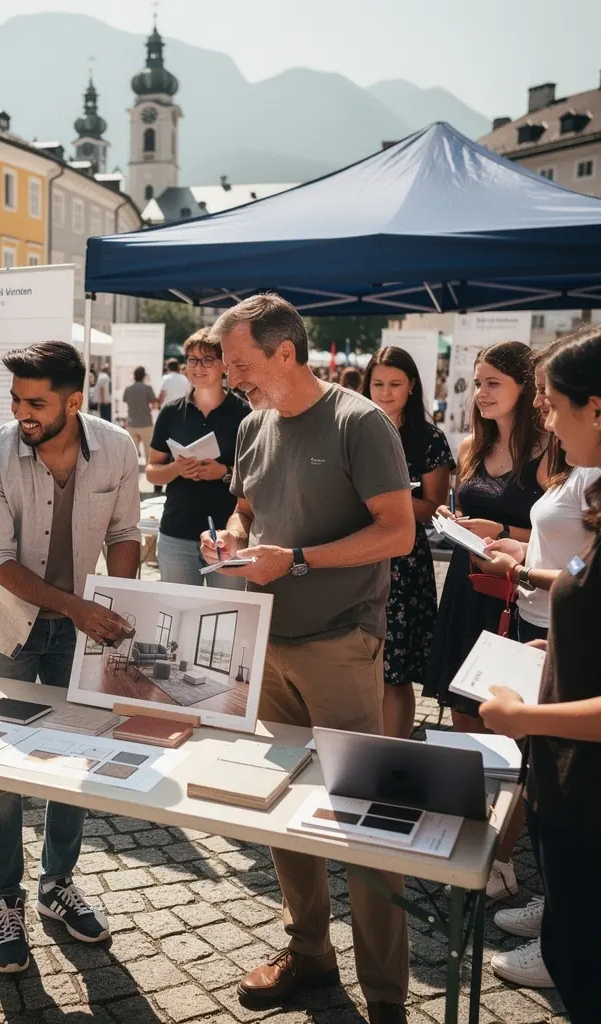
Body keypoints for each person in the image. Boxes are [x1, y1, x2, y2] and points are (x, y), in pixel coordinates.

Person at [202, 294, 415, 1024]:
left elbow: (398, 533)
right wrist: (230, 539)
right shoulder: (255, 426)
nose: (231, 381)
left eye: (240, 365)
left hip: (340, 645)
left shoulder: (361, 423)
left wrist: (292, 561)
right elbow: (248, 509)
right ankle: (310, 952)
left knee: (362, 819)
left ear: (285, 352)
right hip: (269, 646)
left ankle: (386, 994)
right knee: (284, 815)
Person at [0, 341, 141, 976]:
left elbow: (124, 534)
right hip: (9, 623)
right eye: (15, 400)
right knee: (5, 770)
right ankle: (6, 900)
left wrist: (121, 607)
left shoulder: (118, 449)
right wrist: (77, 607)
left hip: (83, 626)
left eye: (36, 401)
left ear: (76, 400)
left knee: (79, 759)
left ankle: (56, 885)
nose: (22, 412)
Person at [479, 325, 601, 1024]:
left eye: (554, 405)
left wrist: (523, 717)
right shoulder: (592, 498)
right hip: (572, 785)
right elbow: (583, 583)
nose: (547, 420)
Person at [423, 341, 547, 900]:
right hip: (467, 595)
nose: (481, 393)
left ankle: (501, 853)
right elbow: (462, 514)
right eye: (478, 382)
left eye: (494, 381)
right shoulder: (472, 446)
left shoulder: (549, 453)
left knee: (507, 726)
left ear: (525, 386)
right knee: (463, 717)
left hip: (515, 598)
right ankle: (469, 837)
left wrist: (500, 532)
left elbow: (556, 539)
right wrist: (456, 521)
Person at [362, 348, 454, 739]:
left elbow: (434, 507)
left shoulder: (428, 438)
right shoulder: (353, 428)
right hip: (354, 555)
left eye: (395, 384)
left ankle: (394, 751)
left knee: (395, 672)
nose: (385, 392)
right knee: (357, 665)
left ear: (412, 386)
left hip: (402, 561)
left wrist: (386, 497)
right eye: (378, 383)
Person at [147, 328, 249, 588]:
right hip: (176, 534)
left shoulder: (243, 413)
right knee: (178, 618)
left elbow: (256, 475)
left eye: (206, 360)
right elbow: (151, 471)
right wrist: (177, 469)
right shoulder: (171, 412)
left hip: (226, 537)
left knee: (227, 620)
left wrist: (223, 472)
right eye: (192, 359)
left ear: (224, 366)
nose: (197, 367)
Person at [122, 365, 156, 460]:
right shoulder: (148, 388)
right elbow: (154, 405)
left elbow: (125, 402)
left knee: (132, 454)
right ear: (144, 376)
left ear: (134, 376)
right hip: (146, 423)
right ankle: (148, 473)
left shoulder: (128, 389)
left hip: (132, 423)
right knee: (148, 453)